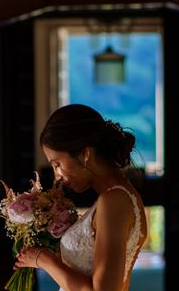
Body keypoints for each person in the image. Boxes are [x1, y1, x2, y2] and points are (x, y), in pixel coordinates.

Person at [14, 104, 147, 291]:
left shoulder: (114, 201)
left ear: (85, 154)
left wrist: (43, 259)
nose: (56, 176)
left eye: (57, 164)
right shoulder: (116, 197)